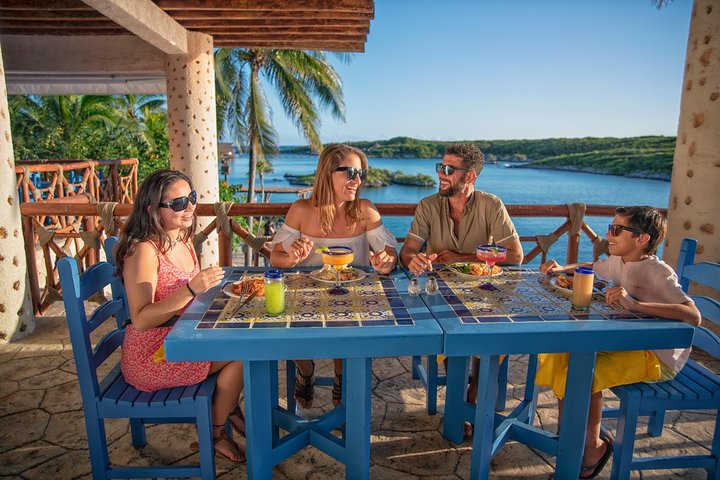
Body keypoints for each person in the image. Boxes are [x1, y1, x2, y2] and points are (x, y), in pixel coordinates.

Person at [537, 206, 702, 478]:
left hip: (656, 356)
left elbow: (693, 315)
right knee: (562, 355)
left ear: (642, 239)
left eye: (616, 230)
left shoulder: (658, 272)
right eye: (609, 228)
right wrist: (562, 267)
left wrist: (635, 304)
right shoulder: (617, 261)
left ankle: (593, 449)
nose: (608, 235)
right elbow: (591, 267)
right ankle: (571, 433)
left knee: (583, 375)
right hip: (628, 343)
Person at [115, 170, 246, 463]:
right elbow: (141, 319)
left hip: (182, 338)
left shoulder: (182, 239)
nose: (189, 207)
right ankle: (214, 432)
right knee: (243, 353)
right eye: (178, 203)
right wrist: (191, 289)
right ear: (153, 209)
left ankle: (228, 407)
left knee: (243, 339)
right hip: (153, 355)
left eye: (192, 198)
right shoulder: (143, 251)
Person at [400, 143, 523, 436]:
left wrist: (462, 258)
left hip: (485, 291)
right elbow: (407, 251)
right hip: (441, 292)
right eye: (440, 167)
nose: (441, 174)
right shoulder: (428, 205)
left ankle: (472, 397)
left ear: (470, 176)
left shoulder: (491, 205)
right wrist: (413, 259)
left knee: (490, 334)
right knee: (448, 332)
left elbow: (515, 256)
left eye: (449, 169)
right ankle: (461, 399)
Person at [270, 144, 398, 408]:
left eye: (361, 174)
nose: (357, 180)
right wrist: (292, 257)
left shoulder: (364, 209)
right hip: (307, 294)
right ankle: (306, 369)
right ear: (327, 172)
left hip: (351, 295)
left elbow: (389, 253)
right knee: (279, 324)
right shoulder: (301, 209)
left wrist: (386, 262)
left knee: (346, 325)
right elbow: (276, 258)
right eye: (350, 172)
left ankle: (341, 374)